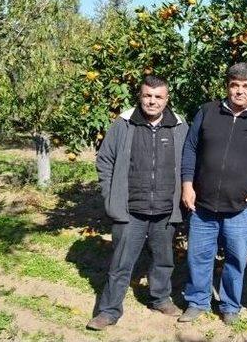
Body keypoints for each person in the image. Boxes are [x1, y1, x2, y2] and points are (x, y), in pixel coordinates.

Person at [87, 75, 188, 331]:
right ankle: (109, 311)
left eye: (158, 97)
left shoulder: (178, 126)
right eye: (147, 95)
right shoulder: (124, 124)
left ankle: (160, 298)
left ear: (167, 99)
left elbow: (188, 164)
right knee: (121, 263)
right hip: (130, 210)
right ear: (140, 96)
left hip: (165, 209)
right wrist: (110, 197)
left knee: (163, 260)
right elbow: (105, 161)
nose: (152, 101)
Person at [178, 62, 247, 325]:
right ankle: (197, 301)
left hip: (240, 208)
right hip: (203, 204)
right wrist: (187, 183)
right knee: (198, 256)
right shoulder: (207, 112)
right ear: (227, 87)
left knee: (236, 260)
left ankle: (230, 305)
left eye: (246, 86)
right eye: (234, 85)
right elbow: (190, 149)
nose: (239, 91)